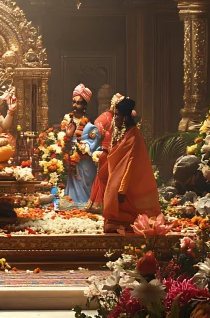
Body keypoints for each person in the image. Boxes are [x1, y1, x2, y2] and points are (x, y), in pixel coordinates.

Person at [102, 97, 161, 233]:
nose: (114, 118)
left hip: (129, 185)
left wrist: (122, 189)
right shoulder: (126, 134)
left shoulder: (133, 136)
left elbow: (130, 164)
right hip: (119, 181)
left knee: (118, 215)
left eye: (117, 115)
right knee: (110, 220)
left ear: (126, 118)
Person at [62, 84, 101, 206]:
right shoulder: (67, 119)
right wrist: (68, 135)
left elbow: (95, 141)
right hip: (71, 161)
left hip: (84, 162)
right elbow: (63, 141)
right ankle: (73, 205)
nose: (74, 105)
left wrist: (84, 146)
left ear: (85, 105)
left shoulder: (89, 125)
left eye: (78, 103)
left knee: (85, 183)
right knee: (72, 185)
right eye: (73, 102)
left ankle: (86, 205)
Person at [87, 93, 121, 213]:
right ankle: (101, 204)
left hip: (119, 153)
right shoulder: (104, 118)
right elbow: (94, 135)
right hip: (106, 152)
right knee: (104, 176)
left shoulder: (121, 119)